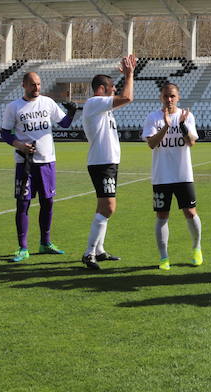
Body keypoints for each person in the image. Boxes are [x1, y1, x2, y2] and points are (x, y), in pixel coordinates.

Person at [1, 72, 75, 262]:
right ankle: (23, 247)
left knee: (48, 202)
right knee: (23, 203)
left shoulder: (48, 103)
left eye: (39, 84)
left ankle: (45, 243)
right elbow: (5, 133)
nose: (37, 88)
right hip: (24, 164)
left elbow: (64, 124)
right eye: (33, 85)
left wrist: (73, 111)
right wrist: (20, 145)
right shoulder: (14, 107)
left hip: (47, 162)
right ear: (24, 85)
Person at [80, 54, 136, 270]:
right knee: (109, 207)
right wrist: (130, 75)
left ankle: (99, 250)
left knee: (103, 206)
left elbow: (123, 98)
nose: (114, 90)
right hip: (102, 163)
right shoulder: (94, 102)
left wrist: (128, 77)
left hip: (107, 162)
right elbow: (128, 97)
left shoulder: (101, 108)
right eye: (111, 87)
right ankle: (88, 253)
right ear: (101, 89)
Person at [142, 82, 200, 271]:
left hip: (183, 175)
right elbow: (151, 144)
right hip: (162, 176)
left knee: (191, 213)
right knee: (162, 216)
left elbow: (191, 143)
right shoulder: (153, 117)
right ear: (161, 97)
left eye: (172, 96)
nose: (169, 99)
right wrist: (165, 127)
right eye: (166, 96)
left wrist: (181, 125)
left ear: (178, 97)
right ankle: (164, 257)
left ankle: (196, 248)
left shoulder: (187, 116)